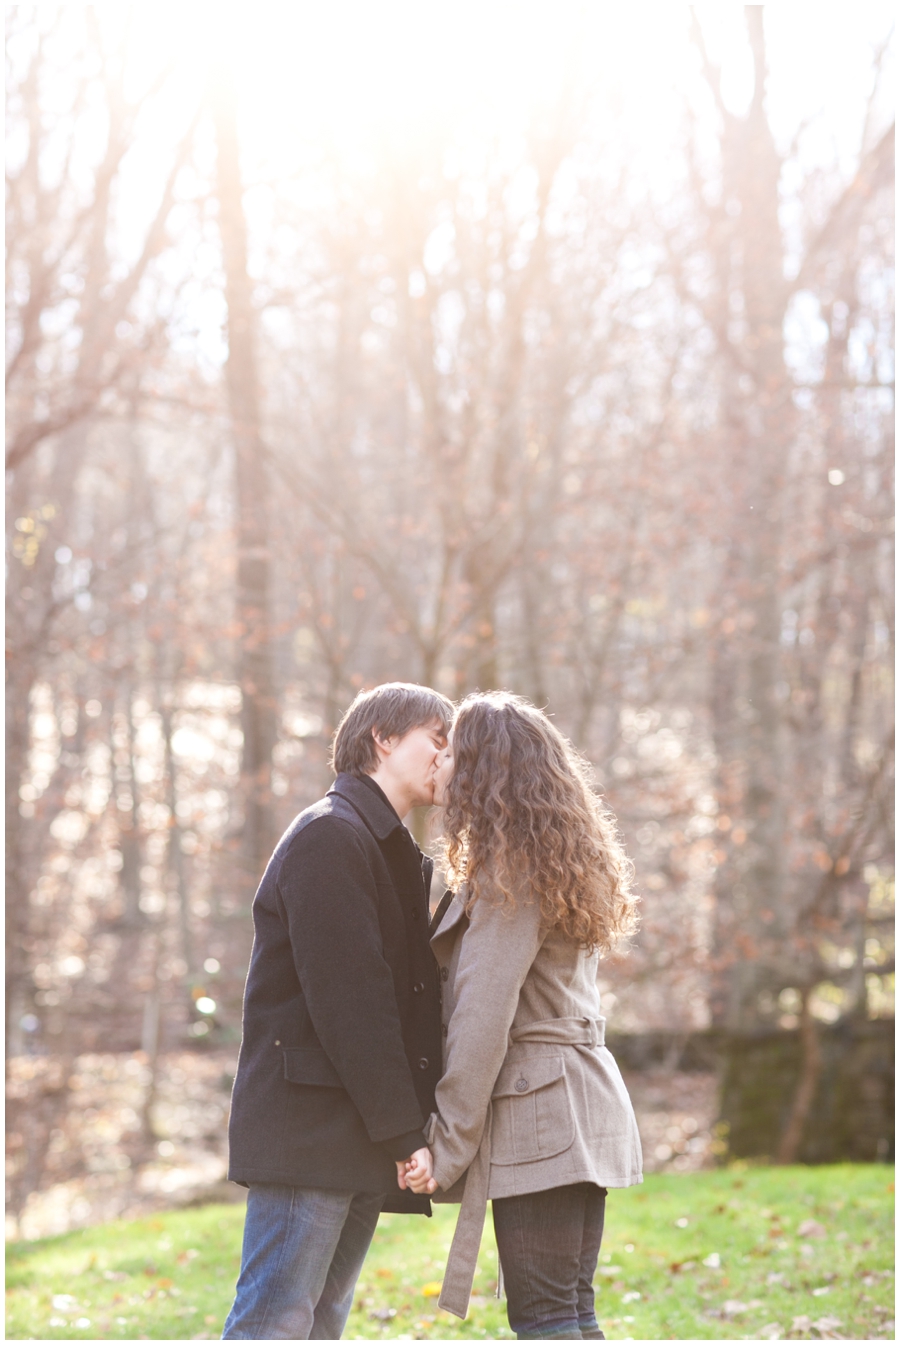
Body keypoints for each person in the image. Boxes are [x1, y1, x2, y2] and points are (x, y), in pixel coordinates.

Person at [405, 691, 643, 1341]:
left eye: (451, 750)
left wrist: (446, 1142)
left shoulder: (510, 872)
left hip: (541, 1111)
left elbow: (482, 1019)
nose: (441, 765)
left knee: (547, 1319)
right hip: (578, 1104)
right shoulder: (550, 859)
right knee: (570, 1313)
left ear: (482, 768)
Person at [222, 682, 450, 1340]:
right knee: (274, 1323)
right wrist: (405, 1132)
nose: (447, 757)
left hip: (355, 1130)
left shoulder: (388, 847)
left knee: (321, 1323)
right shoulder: (329, 835)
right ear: (382, 737)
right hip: (310, 1125)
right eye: (436, 740)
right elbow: (354, 1006)